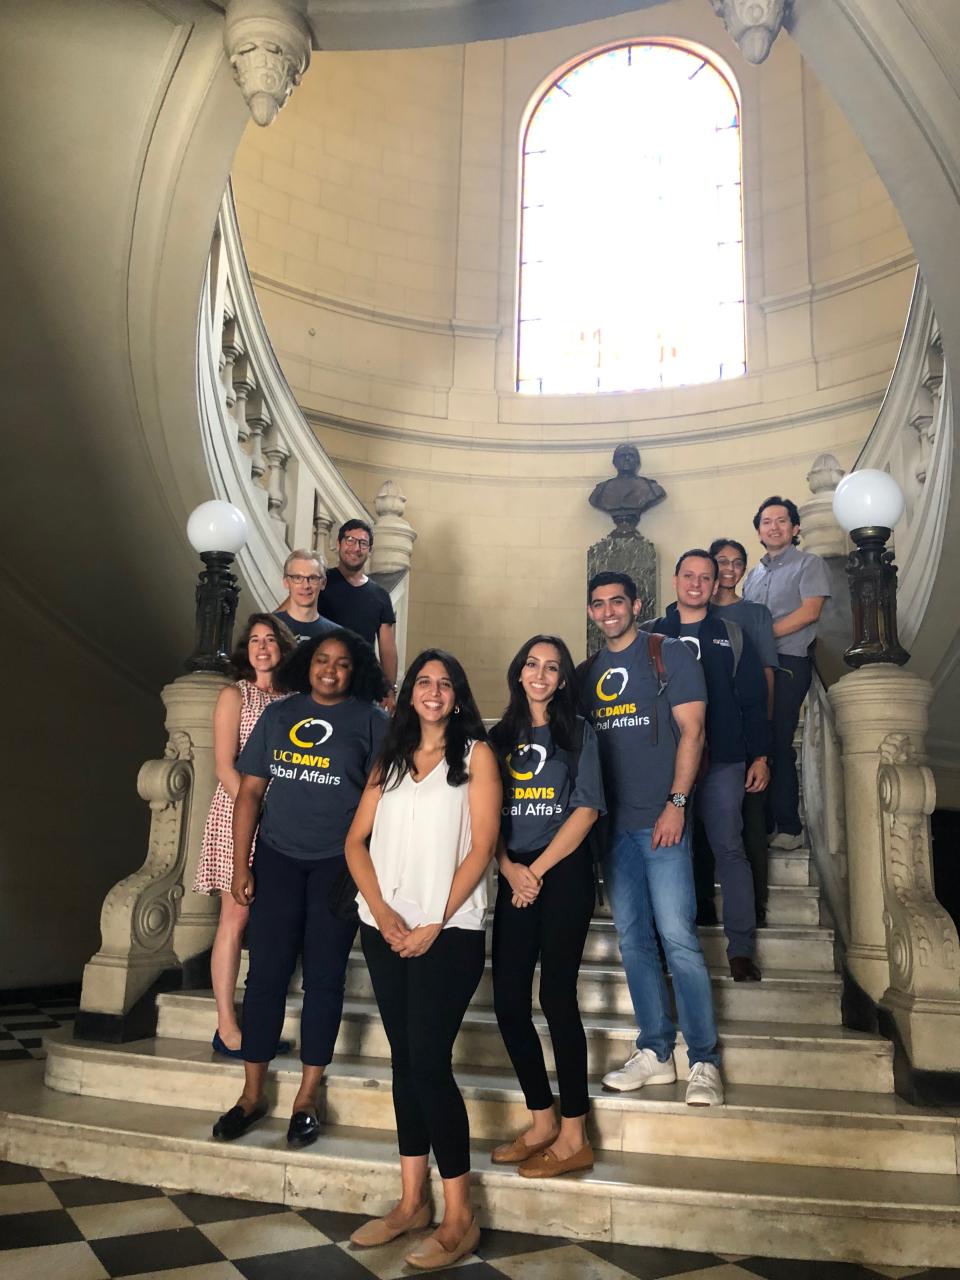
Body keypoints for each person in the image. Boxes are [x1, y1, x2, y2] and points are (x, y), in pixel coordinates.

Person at [345, 649, 500, 1270]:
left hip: (451, 930)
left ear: (458, 697)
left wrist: (436, 917)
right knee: (405, 1062)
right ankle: (412, 1203)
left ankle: (459, 1217)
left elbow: (483, 845)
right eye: (423, 682)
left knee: (430, 1063)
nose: (434, 691)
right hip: (385, 929)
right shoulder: (389, 762)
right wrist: (383, 913)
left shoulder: (475, 757)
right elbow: (356, 841)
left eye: (445, 684)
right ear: (409, 693)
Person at [211, 630, 389, 1147]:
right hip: (278, 860)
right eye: (321, 660)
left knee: (325, 980)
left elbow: (385, 799)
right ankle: (251, 1094)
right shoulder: (280, 715)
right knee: (265, 976)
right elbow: (249, 792)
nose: (330, 670)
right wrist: (242, 864)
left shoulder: (372, 722)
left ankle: (308, 1095)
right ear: (307, 665)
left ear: (356, 671)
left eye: (342, 664)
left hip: (338, 865)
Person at [578, 571, 723, 1105]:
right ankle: (657, 1052)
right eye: (599, 604)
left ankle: (704, 1059)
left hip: (661, 822)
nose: (609, 611)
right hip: (612, 830)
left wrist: (677, 804)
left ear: (636, 604)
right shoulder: (588, 671)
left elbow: (693, 731)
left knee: (679, 939)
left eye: (618, 601)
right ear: (591, 612)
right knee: (634, 942)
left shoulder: (667, 654)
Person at [489, 636, 604, 1178]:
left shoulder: (579, 733)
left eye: (551, 667)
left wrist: (535, 871)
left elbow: (585, 811)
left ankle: (575, 1133)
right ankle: (542, 1119)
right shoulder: (496, 739)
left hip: (563, 872)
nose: (540, 673)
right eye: (531, 663)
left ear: (561, 680)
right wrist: (509, 867)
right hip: (515, 875)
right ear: (519, 673)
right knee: (509, 1000)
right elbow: (483, 817)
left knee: (556, 996)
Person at [648, 551, 770, 982]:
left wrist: (760, 755)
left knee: (729, 849)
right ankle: (669, 945)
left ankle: (740, 949)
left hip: (723, 761)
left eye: (706, 577)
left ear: (716, 582)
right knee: (669, 853)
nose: (697, 584)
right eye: (689, 576)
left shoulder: (732, 635)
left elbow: (753, 700)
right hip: (666, 765)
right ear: (676, 580)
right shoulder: (652, 636)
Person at [193, 613, 296, 1057]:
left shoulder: (296, 699)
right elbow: (223, 764)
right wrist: (258, 811)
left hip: (283, 824)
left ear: (283, 647)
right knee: (234, 920)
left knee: (274, 924)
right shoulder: (235, 694)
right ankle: (227, 1026)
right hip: (238, 814)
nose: (261, 647)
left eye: (270, 639)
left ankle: (261, 1023)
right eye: (254, 640)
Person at [742, 497, 831, 851]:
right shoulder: (754, 574)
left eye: (781, 521)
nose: (774, 526)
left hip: (788, 663)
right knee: (756, 741)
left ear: (795, 529)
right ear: (759, 530)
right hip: (756, 665)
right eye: (766, 521)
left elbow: (810, 611)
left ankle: (789, 827)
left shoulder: (809, 564)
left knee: (778, 740)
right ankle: (761, 823)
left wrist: (763, 635)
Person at [707, 537, 779, 925]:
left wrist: (761, 742)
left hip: (744, 735)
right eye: (722, 561)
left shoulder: (755, 614)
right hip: (704, 741)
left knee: (750, 821)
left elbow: (766, 674)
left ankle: (756, 907)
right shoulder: (690, 614)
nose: (729, 569)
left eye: (737, 562)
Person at [319, 519, 398, 692]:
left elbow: (388, 650)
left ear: (369, 549)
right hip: (323, 679)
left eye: (363, 543)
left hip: (362, 683)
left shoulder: (381, 596)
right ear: (339, 543)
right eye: (350, 540)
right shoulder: (320, 582)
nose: (356, 548)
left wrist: (390, 689)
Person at [274, 548, 337, 644]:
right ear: (286, 582)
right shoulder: (268, 627)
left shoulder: (336, 635)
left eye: (313, 578)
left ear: (323, 583)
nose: (306, 585)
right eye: (297, 578)